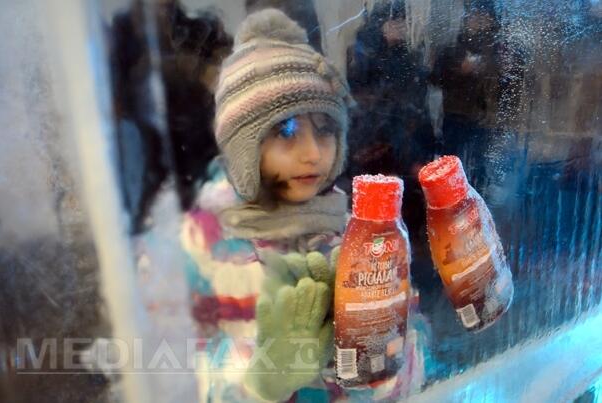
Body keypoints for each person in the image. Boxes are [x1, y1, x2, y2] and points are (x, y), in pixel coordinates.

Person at [181, 9, 424, 402]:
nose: (313, 153)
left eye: (326, 130)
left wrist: (369, 361)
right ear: (243, 149)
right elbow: (170, 364)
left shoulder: (358, 236)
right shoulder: (204, 239)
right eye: (286, 131)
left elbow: (411, 362)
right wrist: (260, 380)